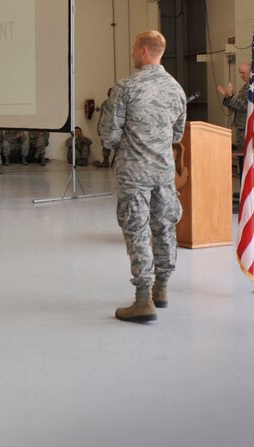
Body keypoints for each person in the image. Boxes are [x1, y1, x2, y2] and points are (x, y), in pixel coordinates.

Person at [99, 30, 186, 323]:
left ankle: (142, 300)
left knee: (137, 230)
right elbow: (177, 134)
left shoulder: (126, 87)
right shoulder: (176, 89)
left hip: (134, 173)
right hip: (163, 171)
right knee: (164, 228)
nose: (133, 53)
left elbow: (109, 134)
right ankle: (162, 289)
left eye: (135, 48)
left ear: (144, 51)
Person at [218, 61, 251, 172]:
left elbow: (243, 105)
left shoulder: (253, 88)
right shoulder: (245, 87)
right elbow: (235, 106)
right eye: (240, 73)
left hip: (248, 128)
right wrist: (228, 97)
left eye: (243, 73)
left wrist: (231, 97)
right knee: (242, 159)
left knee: (246, 160)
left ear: (251, 72)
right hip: (241, 128)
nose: (241, 76)